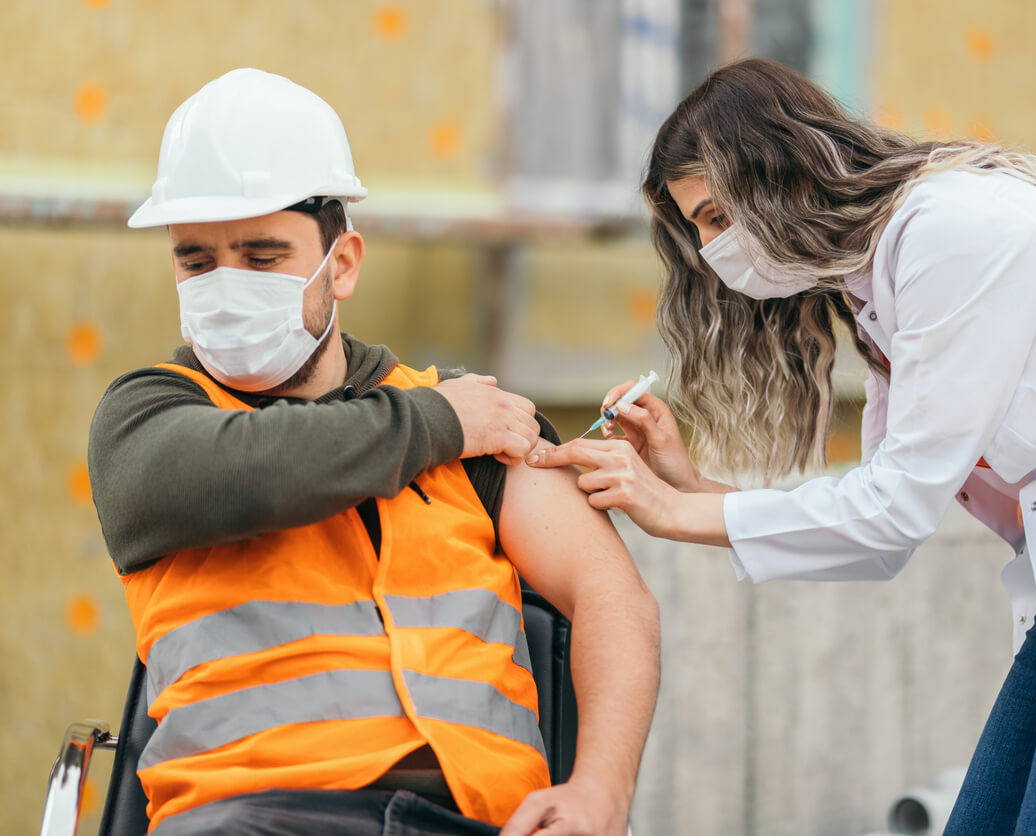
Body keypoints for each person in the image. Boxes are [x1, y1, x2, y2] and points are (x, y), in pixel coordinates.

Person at [528, 58, 1036, 833]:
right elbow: (878, 529)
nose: (712, 251)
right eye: (699, 229)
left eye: (714, 217)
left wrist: (672, 511)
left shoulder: (952, 232)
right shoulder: (876, 280)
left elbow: (894, 511)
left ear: (778, 173)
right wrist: (689, 484)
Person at [87, 68, 660, 836]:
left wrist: (599, 793)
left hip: (474, 821)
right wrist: (436, 425)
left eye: (262, 257)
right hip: (251, 819)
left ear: (344, 263)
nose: (226, 286)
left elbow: (611, 596)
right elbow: (238, 470)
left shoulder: (473, 419)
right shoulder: (150, 415)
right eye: (196, 260)